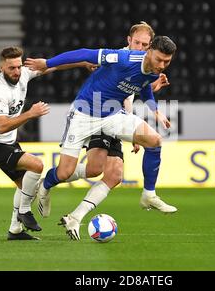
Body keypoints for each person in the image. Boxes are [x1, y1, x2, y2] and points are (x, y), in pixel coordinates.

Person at [25, 35, 177, 240]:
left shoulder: (154, 70)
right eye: (159, 59)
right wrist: (48, 63)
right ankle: (45, 185)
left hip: (112, 115)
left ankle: (149, 195)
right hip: (83, 114)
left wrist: (155, 111)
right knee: (64, 172)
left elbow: (146, 87)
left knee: (155, 141)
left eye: (167, 61)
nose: (162, 65)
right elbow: (84, 54)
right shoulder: (123, 58)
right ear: (149, 51)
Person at [56, 21, 176, 220]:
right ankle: (49, 182)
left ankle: (75, 217)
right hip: (97, 113)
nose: (140, 47)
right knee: (84, 170)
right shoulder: (120, 58)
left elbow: (136, 90)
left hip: (117, 118)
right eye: (137, 43)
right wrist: (48, 64)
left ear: (150, 46)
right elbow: (86, 58)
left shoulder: (149, 66)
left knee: (113, 175)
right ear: (129, 40)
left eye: (144, 45)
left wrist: (154, 94)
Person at [0, 46, 52, 240]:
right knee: (37, 165)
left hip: (9, 143)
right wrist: (31, 113)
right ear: (1, 67)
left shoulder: (22, 75)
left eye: (19, 67)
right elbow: (2, 126)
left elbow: (50, 68)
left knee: (25, 187)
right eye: (12, 68)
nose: (17, 72)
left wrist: (83, 62)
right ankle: (25, 211)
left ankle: (15, 230)